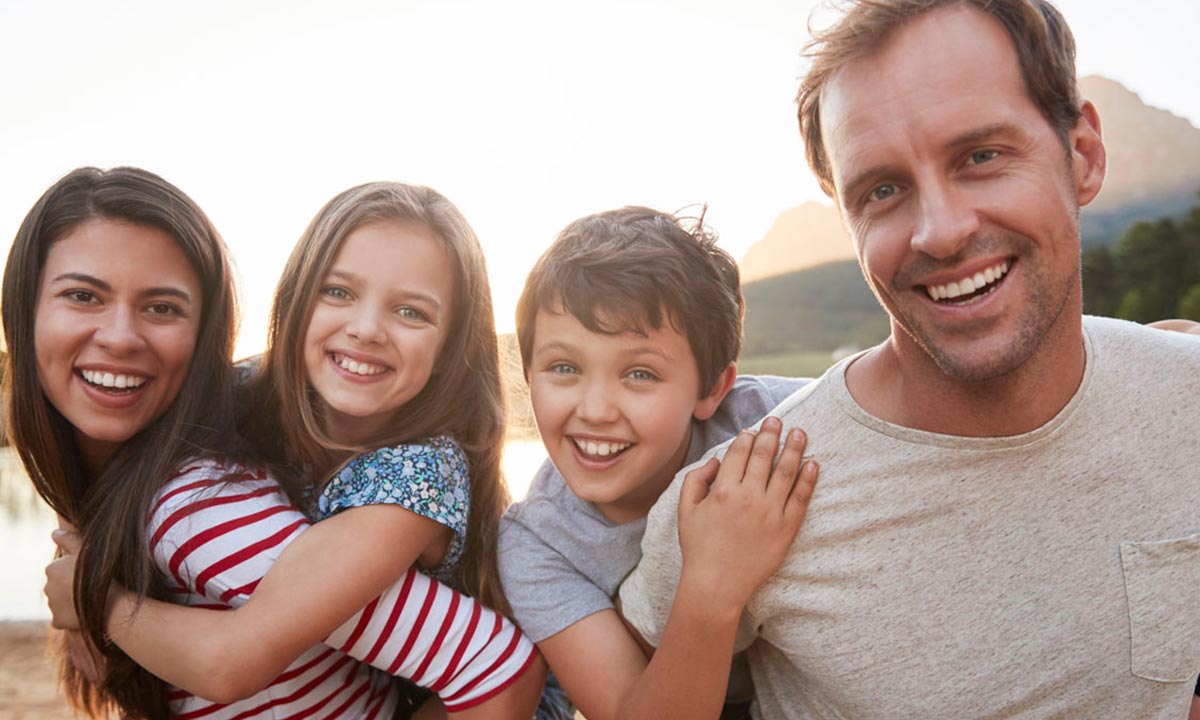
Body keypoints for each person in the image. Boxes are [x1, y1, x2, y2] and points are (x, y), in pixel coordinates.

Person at [619, 2, 1200, 718]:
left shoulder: (1189, 395)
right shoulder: (736, 505)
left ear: (1082, 155)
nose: (942, 231)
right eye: (882, 190)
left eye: (981, 157)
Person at [37, 178, 544, 718]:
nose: (367, 328)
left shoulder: (415, 478)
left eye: (412, 312)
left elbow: (235, 660)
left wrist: (99, 602)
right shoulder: (244, 400)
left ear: (450, 348)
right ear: (297, 299)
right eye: (339, 291)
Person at [499, 206, 819, 719]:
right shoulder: (537, 544)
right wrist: (711, 583)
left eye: (640, 374)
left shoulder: (777, 423)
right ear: (529, 371)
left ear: (712, 387)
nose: (596, 410)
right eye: (564, 367)